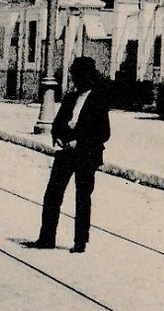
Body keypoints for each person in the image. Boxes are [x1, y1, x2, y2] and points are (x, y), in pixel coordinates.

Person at [27, 56, 112, 253]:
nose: (75, 80)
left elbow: (104, 133)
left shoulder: (98, 100)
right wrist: (57, 136)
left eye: (77, 76)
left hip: (86, 155)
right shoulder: (71, 98)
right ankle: (46, 238)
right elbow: (57, 124)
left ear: (88, 77)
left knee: (82, 198)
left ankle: (80, 242)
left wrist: (79, 142)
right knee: (52, 194)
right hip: (65, 152)